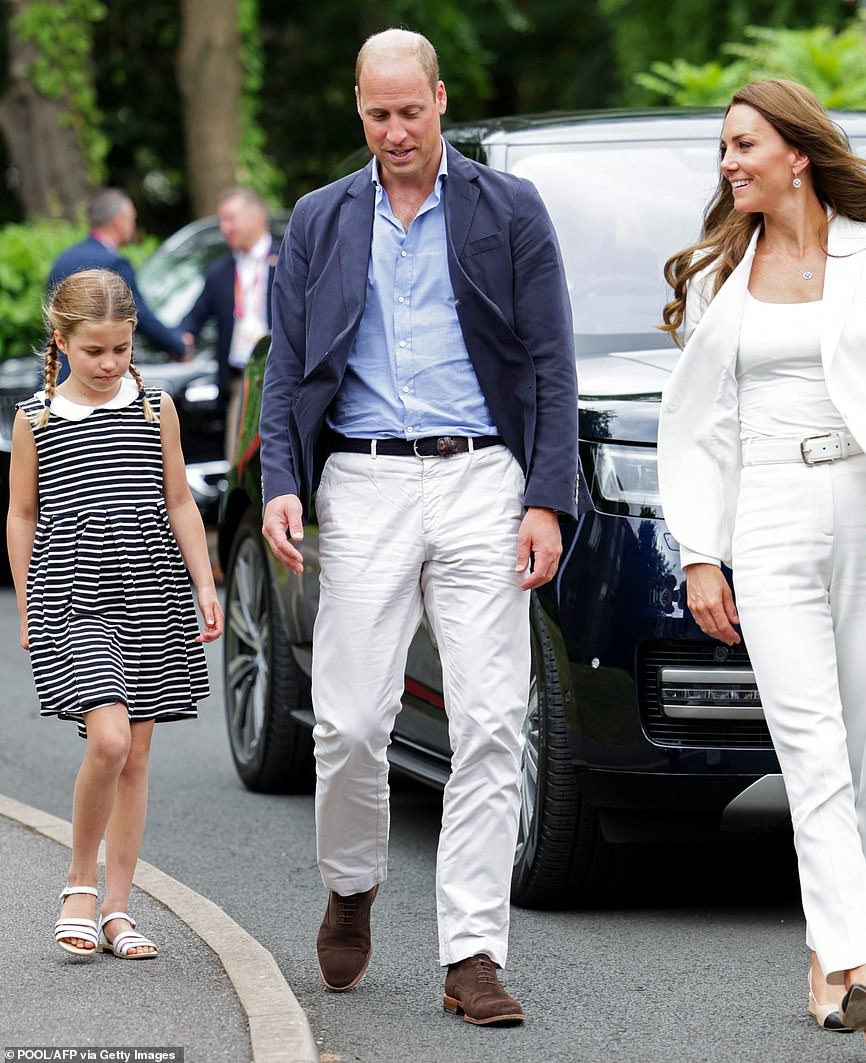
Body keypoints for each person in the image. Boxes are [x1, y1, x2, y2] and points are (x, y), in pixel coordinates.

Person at [259, 28, 581, 1025]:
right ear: (357, 109)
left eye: (411, 111)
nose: (395, 132)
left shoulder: (507, 208)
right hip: (360, 482)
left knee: (490, 717)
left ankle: (471, 955)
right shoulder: (317, 219)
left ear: (439, 99)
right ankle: (351, 881)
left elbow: (550, 359)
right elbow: (286, 363)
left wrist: (546, 496)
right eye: (376, 114)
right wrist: (281, 477)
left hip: (482, 473)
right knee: (351, 720)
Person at [657, 79, 866, 1053]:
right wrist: (701, 554)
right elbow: (695, 429)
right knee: (811, 749)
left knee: (860, 752)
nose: (728, 162)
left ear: (796, 152)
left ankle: (829, 963)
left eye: (742, 144)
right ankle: (865, 964)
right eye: (722, 149)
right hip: (769, 516)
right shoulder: (715, 272)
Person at [6, 268, 223, 960]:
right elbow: (21, 515)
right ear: (62, 340)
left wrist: (205, 584)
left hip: (151, 590)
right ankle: (78, 882)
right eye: (93, 350)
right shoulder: (34, 419)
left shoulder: (156, 407)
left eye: (120, 350)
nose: (108, 364)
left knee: (137, 755)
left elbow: (181, 501)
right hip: (74, 596)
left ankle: (119, 908)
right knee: (107, 740)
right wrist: (28, 602)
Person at [179, 188, 279, 462]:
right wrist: (180, 340)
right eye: (222, 220)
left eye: (230, 219)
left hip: (282, 376)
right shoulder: (219, 271)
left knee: (281, 459)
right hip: (241, 380)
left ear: (257, 217)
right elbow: (193, 319)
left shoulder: (287, 260)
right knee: (238, 460)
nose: (224, 228)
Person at [48, 189, 188, 360]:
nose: (134, 225)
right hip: (99, 370)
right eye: (132, 219)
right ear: (119, 222)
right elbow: (140, 316)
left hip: (58, 365)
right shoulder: (115, 265)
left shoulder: (63, 260)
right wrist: (178, 346)